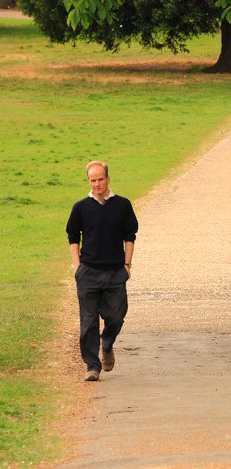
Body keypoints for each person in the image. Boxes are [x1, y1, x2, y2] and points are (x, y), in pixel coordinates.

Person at [66, 161, 138, 382]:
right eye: (92, 180)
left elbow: (130, 236)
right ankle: (92, 366)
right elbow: (72, 237)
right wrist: (78, 266)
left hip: (116, 271)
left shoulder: (122, 205)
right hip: (88, 272)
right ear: (89, 181)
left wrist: (127, 265)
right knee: (88, 322)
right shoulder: (80, 207)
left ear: (108, 179)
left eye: (100, 179)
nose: (97, 184)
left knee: (116, 316)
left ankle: (107, 343)